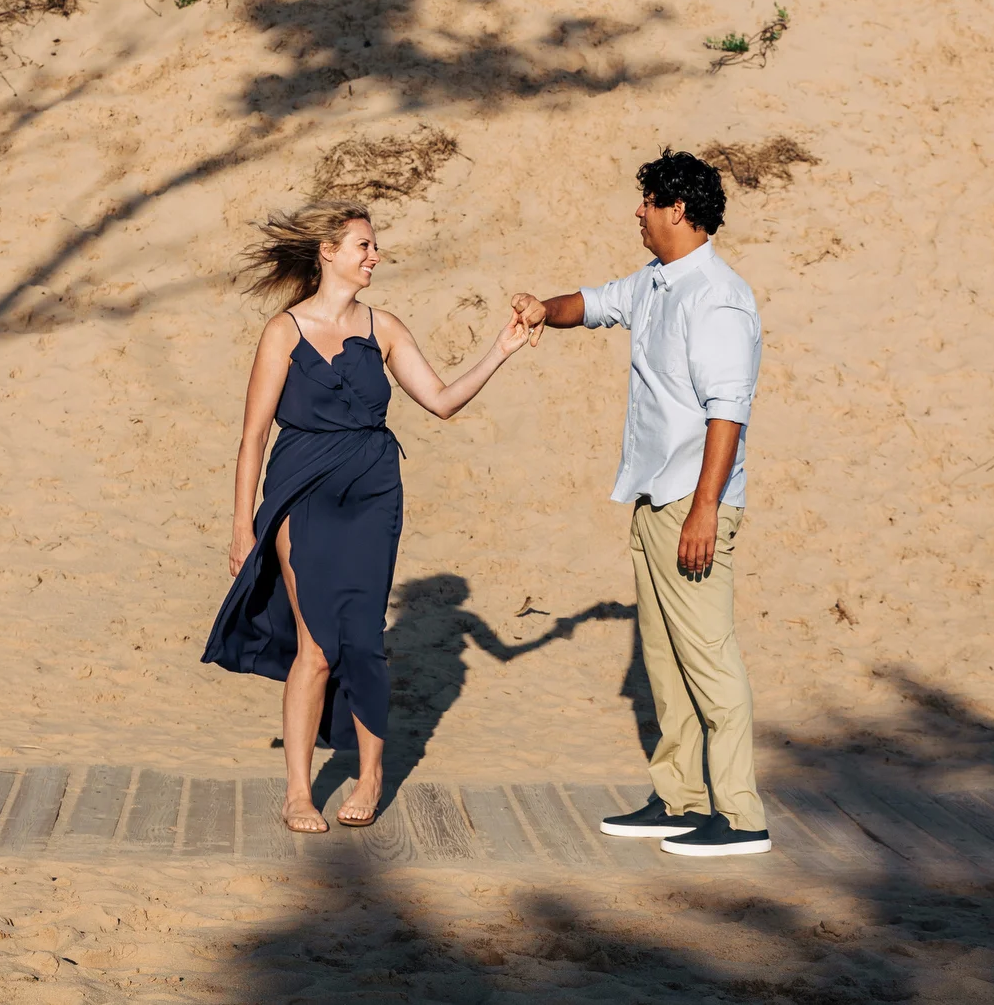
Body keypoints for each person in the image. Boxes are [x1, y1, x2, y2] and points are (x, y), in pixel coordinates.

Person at [203, 201, 531, 833]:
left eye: (374, 247)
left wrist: (501, 349)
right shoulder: (283, 332)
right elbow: (251, 438)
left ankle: (370, 773)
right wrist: (242, 526)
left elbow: (440, 401)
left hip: (374, 491)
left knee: (362, 638)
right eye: (363, 246)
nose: (374, 256)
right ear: (329, 252)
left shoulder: (385, 327)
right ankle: (298, 791)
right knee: (317, 644)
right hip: (302, 490)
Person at [511, 150, 772, 858]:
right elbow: (593, 305)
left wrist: (706, 510)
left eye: (647, 200)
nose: (638, 211)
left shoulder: (717, 296)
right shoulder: (658, 281)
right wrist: (543, 308)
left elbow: (729, 413)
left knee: (710, 657)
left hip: (695, 500)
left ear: (677, 209)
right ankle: (681, 797)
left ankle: (742, 816)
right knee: (664, 657)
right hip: (655, 497)